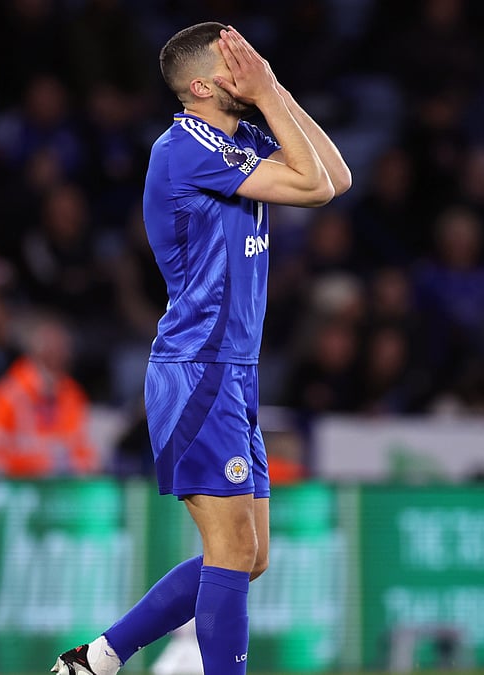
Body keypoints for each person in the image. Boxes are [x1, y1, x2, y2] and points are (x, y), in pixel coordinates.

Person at [51, 22, 348, 675]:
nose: (246, 70)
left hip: (233, 371)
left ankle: (97, 657)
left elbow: (336, 176)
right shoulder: (182, 147)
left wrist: (274, 90)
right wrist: (266, 93)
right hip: (198, 366)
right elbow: (311, 188)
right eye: (231, 64)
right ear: (201, 85)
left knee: (251, 555)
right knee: (230, 550)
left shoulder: (239, 137)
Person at [0, 315, 97, 477]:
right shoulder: (8, 393)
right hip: (16, 490)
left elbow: (84, 455)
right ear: (37, 352)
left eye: (63, 350)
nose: (60, 355)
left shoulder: (73, 395)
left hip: (60, 492)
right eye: (52, 350)